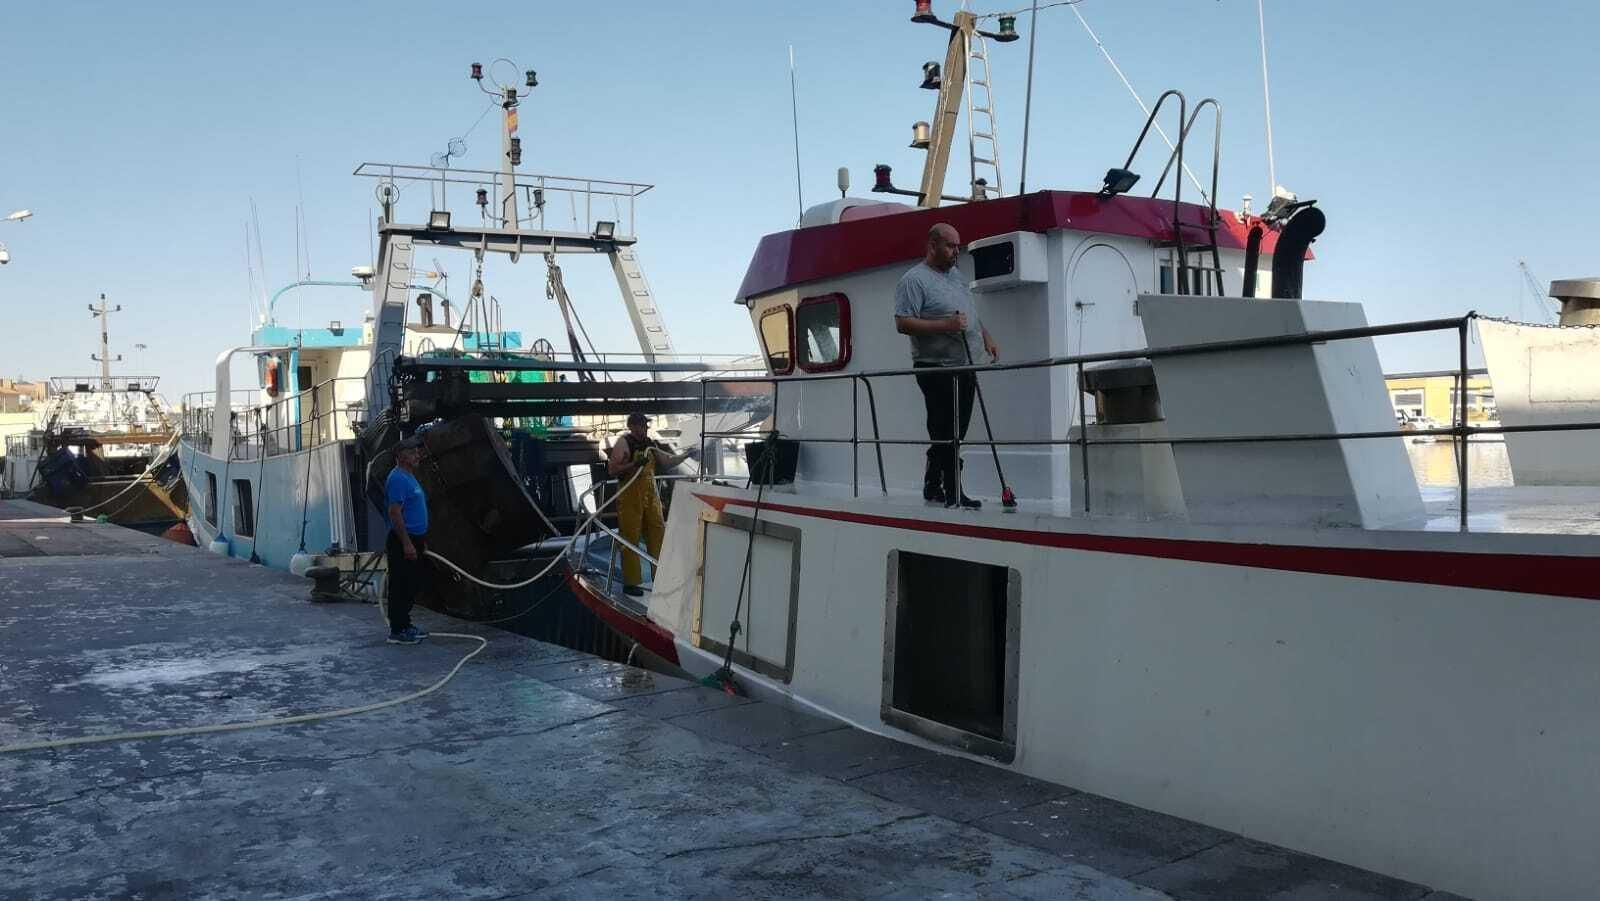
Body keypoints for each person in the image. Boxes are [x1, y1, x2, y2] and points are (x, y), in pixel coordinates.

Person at [894, 222, 999, 510]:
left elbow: (970, 316)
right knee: (945, 429)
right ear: (933, 246)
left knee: (957, 429)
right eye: (951, 246)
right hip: (935, 366)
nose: (957, 251)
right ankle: (953, 491)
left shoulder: (956, 276)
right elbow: (903, 323)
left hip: (966, 363)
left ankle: (932, 480)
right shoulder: (913, 280)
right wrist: (945, 325)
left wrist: (987, 337)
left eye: (958, 245)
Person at [607, 413, 695, 596]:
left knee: (658, 533)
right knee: (630, 537)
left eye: (645, 425)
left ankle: (660, 577)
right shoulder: (624, 443)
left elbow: (667, 462)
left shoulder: (650, 444)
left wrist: (687, 455)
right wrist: (634, 464)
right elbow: (612, 469)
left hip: (650, 495)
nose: (644, 428)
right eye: (640, 425)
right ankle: (631, 583)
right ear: (632, 426)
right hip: (630, 496)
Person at [384, 434, 431, 644]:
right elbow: (395, 512)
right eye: (412, 452)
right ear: (401, 456)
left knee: (412, 583)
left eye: (417, 451)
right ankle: (398, 630)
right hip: (403, 540)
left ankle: (406, 624)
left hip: (415, 539)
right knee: (401, 584)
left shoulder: (409, 476)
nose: (417, 455)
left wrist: (420, 540)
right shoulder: (397, 479)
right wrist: (406, 543)